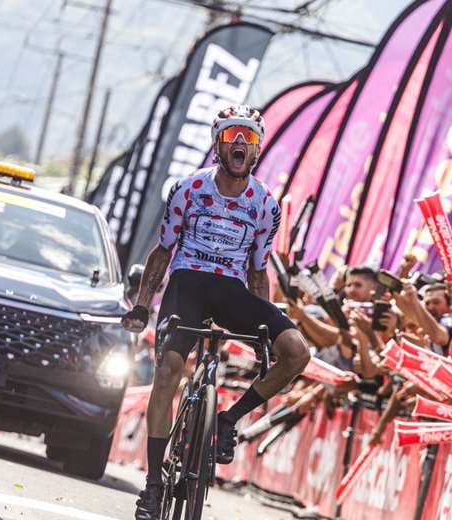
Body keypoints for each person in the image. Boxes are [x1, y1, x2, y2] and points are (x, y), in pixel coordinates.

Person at [122, 105, 311, 520]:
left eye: (249, 138)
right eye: (232, 137)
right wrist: (141, 305)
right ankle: (153, 487)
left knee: (297, 351)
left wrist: (266, 334)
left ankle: (227, 420)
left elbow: (258, 271)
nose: (241, 144)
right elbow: (162, 252)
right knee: (169, 373)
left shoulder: (264, 203)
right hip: (187, 283)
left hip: (231, 290)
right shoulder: (188, 190)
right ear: (218, 145)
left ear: (258, 149)